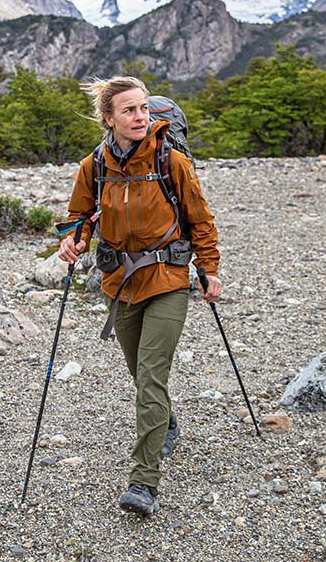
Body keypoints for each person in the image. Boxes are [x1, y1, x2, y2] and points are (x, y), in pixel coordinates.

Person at [58, 75, 221, 517]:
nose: (140, 116)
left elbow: (200, 221)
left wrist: (208, 269)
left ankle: (143, 483)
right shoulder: (94, 167)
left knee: (150, 377)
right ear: (108, 118)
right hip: (119, 284)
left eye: (144, 108)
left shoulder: (172, 161)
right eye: (129, 110)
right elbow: (80, 216)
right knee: (141, 373)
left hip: (168, 279)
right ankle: (164, 420)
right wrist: (73, 240)